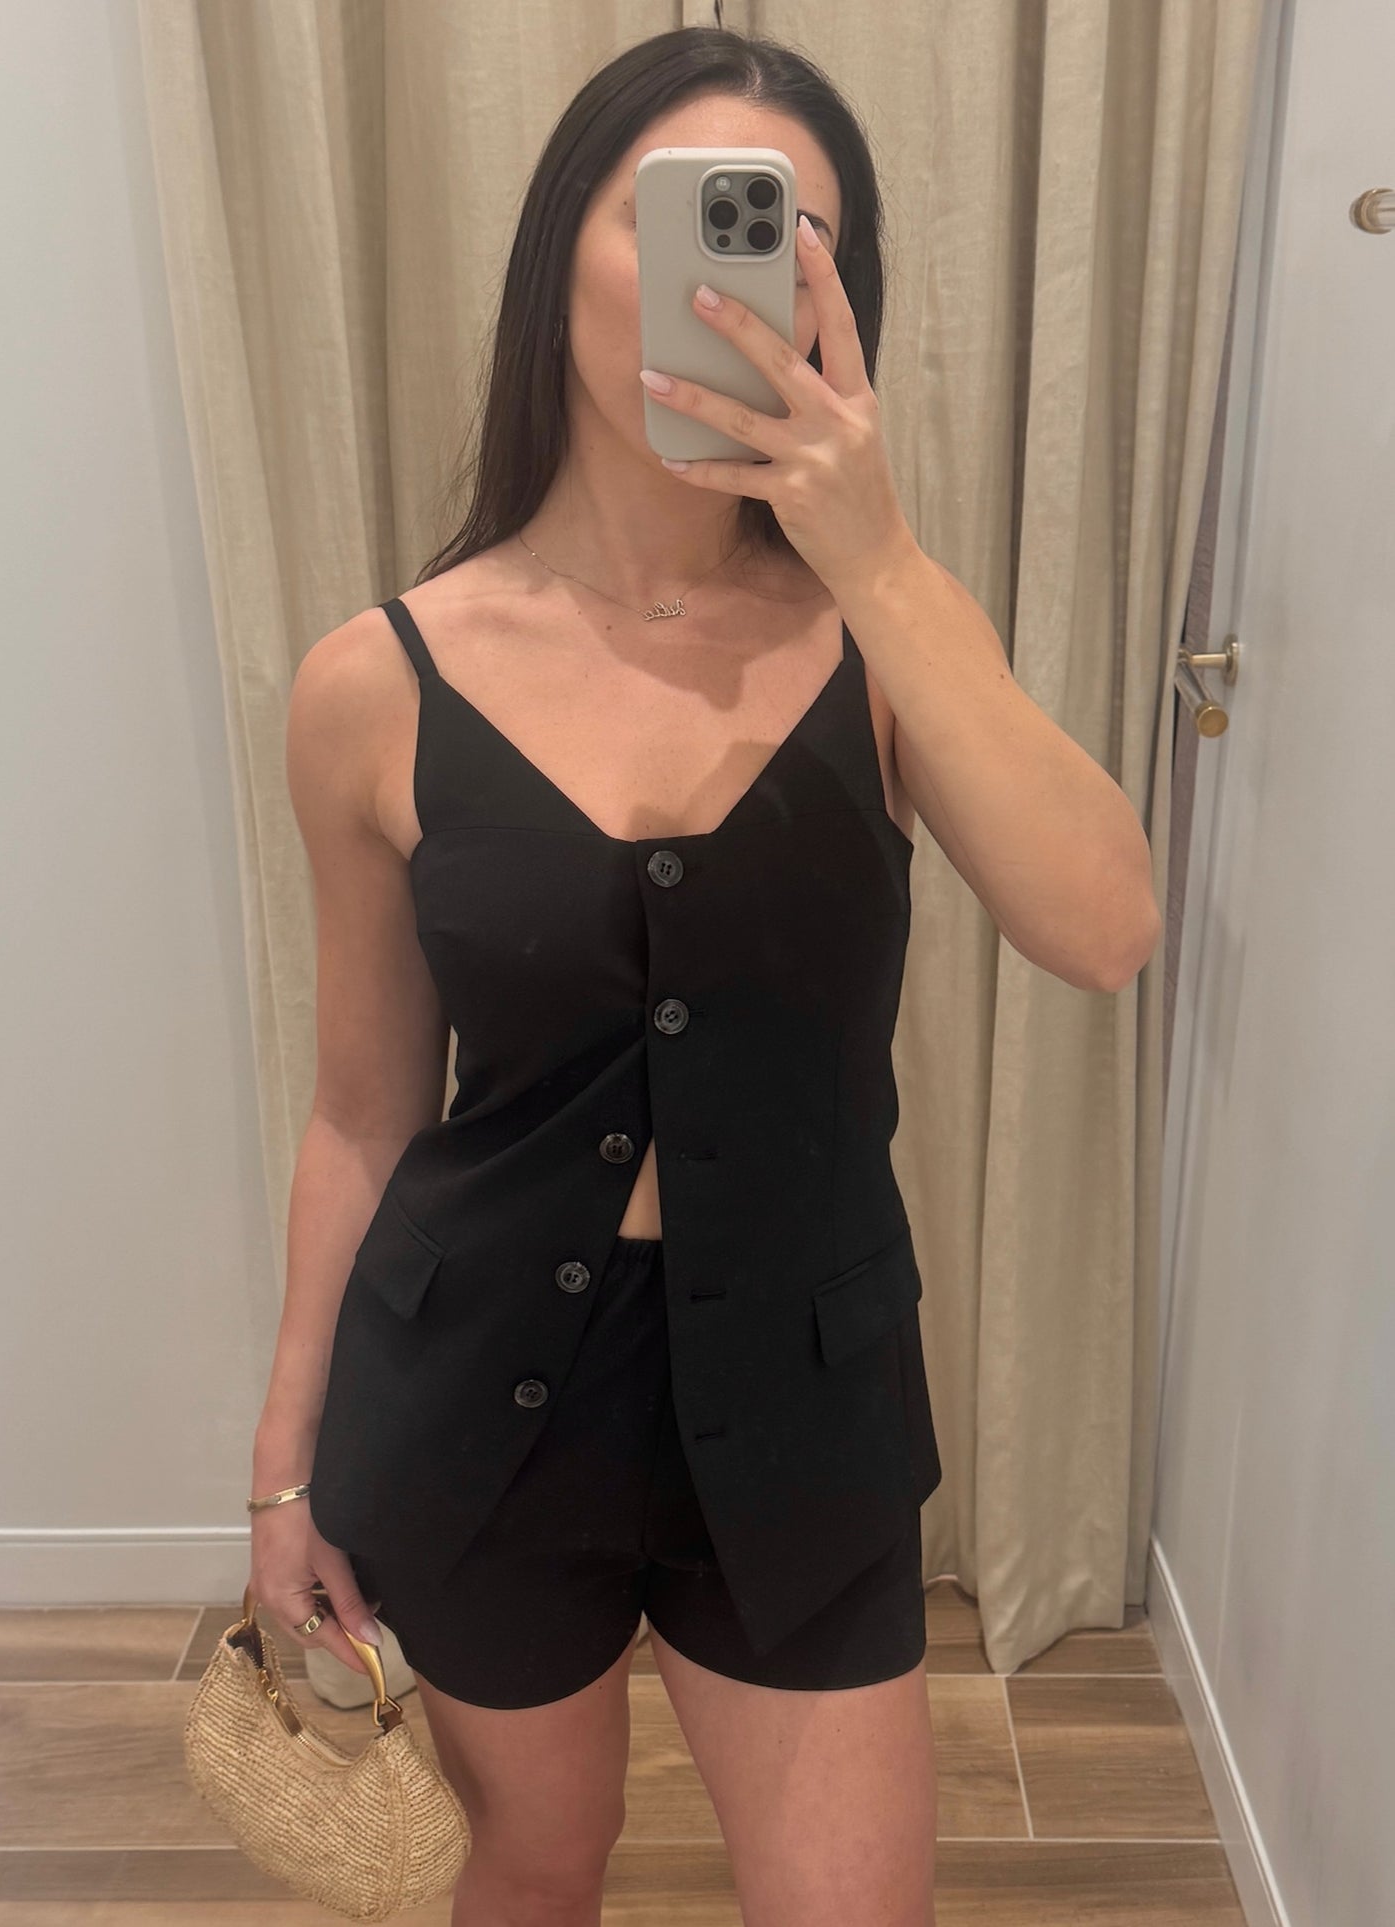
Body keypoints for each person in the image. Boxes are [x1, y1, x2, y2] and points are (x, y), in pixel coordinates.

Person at [255, 30, 954, 1927]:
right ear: (561, 244)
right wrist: (280, 1471)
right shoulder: (374, 682)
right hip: (477, 1384)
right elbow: (361, 1111)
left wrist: (881, 556)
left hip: (803, 1388)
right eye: (684, 214)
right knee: (535, 1865)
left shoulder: (884, 640)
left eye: (789, 234)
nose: (732, 273)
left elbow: (1107, 922)